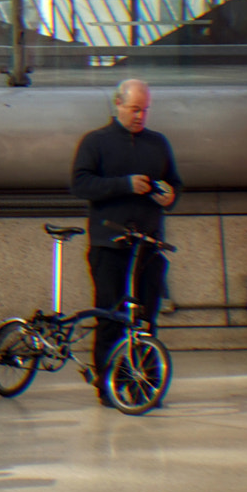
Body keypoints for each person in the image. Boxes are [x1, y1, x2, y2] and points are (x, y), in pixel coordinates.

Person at [69, 78, 179, 390]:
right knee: (111, 316)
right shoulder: (96, 142)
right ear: (118, 105)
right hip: (110, 245)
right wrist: (125, 184)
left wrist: (170, 196)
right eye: (134, 109)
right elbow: (80, 184)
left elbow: (176, 182)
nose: (140, 116)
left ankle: (145, 385)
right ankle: (108, 387)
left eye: (145, 110)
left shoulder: (158, 143)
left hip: (148, 246)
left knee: (146, 318)